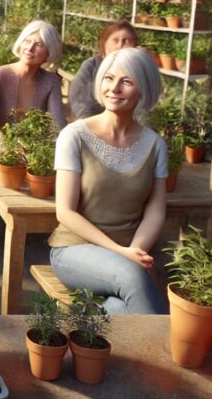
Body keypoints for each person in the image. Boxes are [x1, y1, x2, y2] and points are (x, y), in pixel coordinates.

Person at [49, 47, 168, 314]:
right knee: (133, 277)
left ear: (143, 89)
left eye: (126, 81)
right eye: (108, 78)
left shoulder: (155, 144)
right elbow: (65, 212)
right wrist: (121, 253)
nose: (114, 88)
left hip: (131, 252)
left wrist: (134, 251)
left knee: (121, 305)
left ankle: (103, 326)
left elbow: (156, 210)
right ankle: (171, 355)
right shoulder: (74, 136)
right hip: (74, 249)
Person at [0, 20, 66, 165]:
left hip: (31, 149)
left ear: (49, 52)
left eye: (39, 44)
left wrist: (41, 153)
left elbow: (58, 127)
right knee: (11, 168)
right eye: (27, 41)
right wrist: (14, 151)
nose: (30, 48)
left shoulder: (51, 81)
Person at [69, 20, 140, 120]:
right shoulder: (91, 67)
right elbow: (79, 102)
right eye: (115, 40)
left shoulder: (139, 71)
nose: (120, 46)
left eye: (126, 41)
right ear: (104, 44)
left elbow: (143, 109)